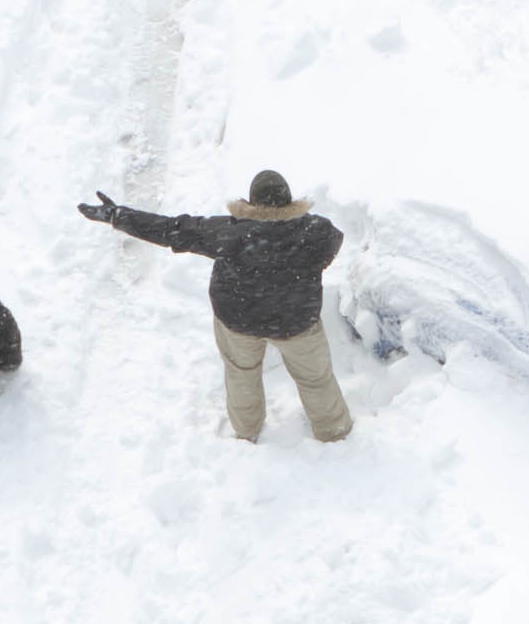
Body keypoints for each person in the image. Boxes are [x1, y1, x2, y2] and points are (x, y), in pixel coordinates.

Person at [81, 168, 346, 443]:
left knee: (242, 375)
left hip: (239, 321)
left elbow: (172, 230)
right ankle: (334, 431)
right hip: (297, 322)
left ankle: (247, 430)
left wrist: (118, 216)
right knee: (315, 379)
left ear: (251, 202)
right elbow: (334, 242)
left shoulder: (228, 232)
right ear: (289, 200)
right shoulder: (316, 230)